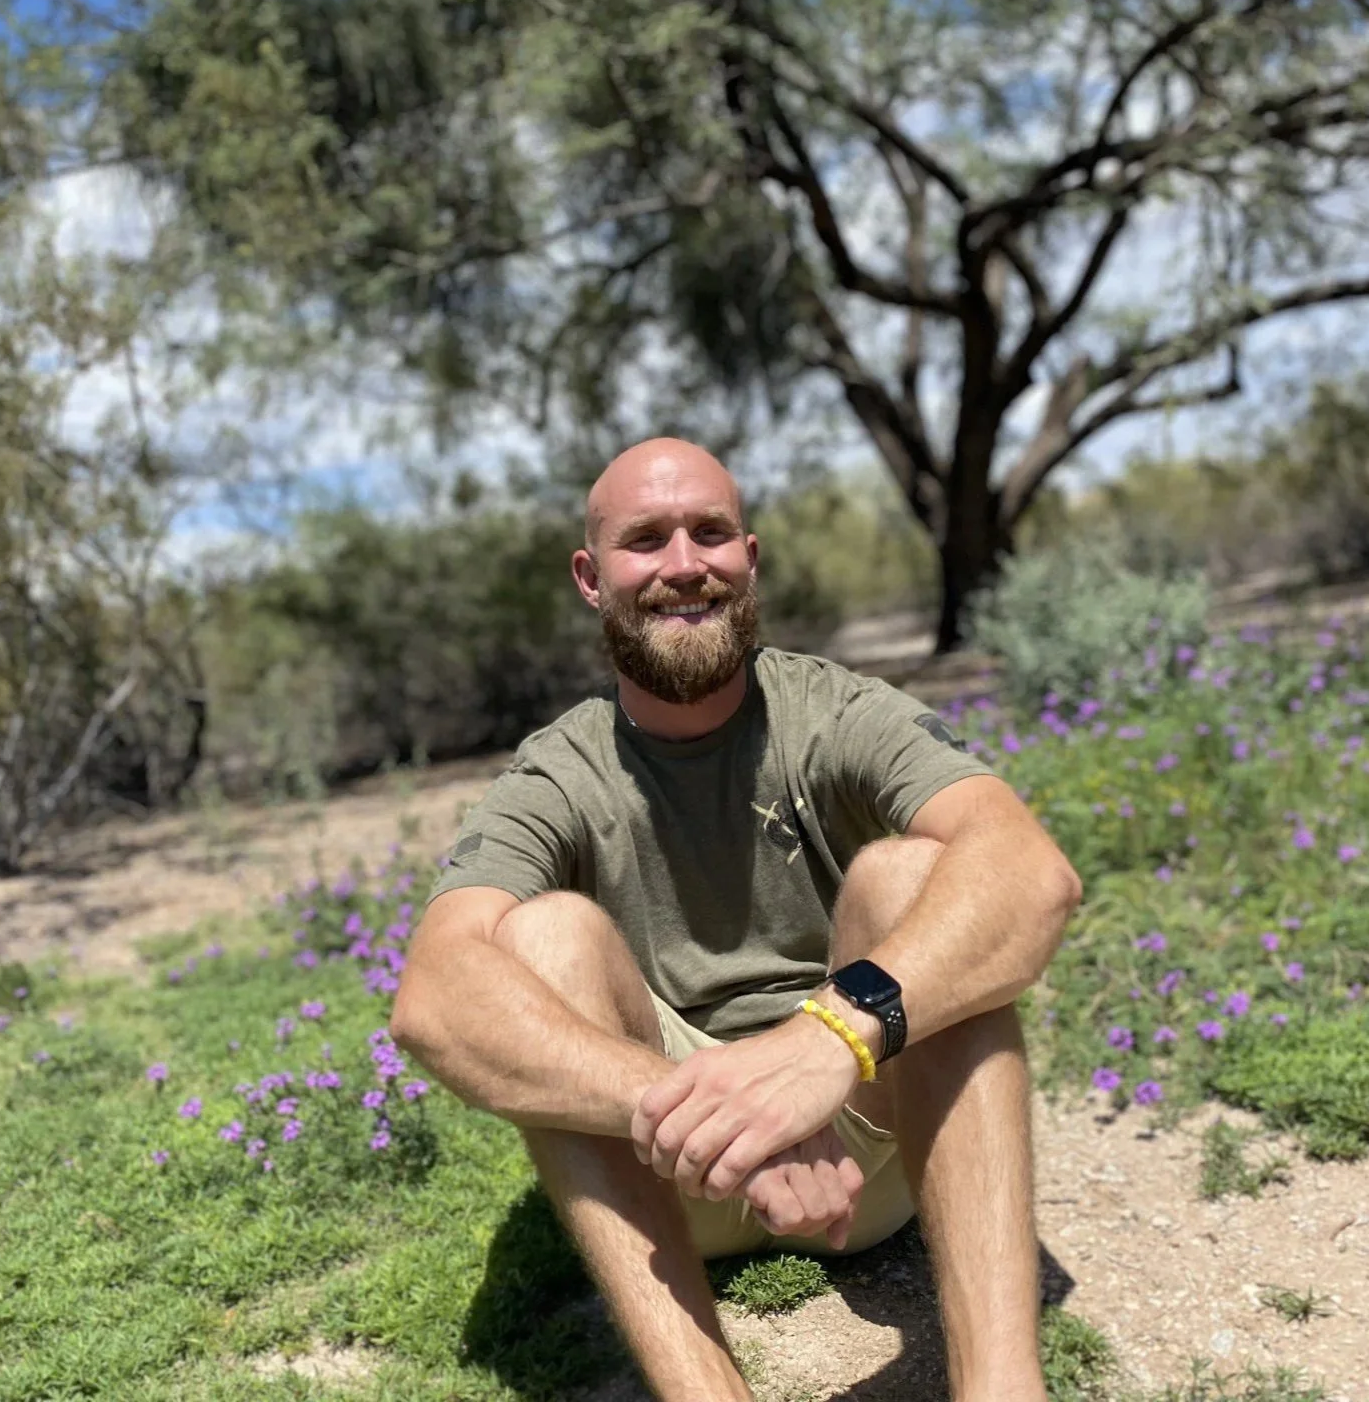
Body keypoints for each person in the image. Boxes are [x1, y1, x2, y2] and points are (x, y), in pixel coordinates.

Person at [388, 437, 1083, 1402]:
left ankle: (1004, 1391)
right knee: (547, 940)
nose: (683, 564)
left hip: (861, 1153)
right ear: (592, 579)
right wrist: (720, 1111)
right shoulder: (558, 770)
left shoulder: (835, 711)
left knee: (910, 875)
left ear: (748, 558)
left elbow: (1031, 873)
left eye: (709, 532)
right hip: (673, 1173)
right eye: (646, 540)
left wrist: (824, 1044)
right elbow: (434, 997)